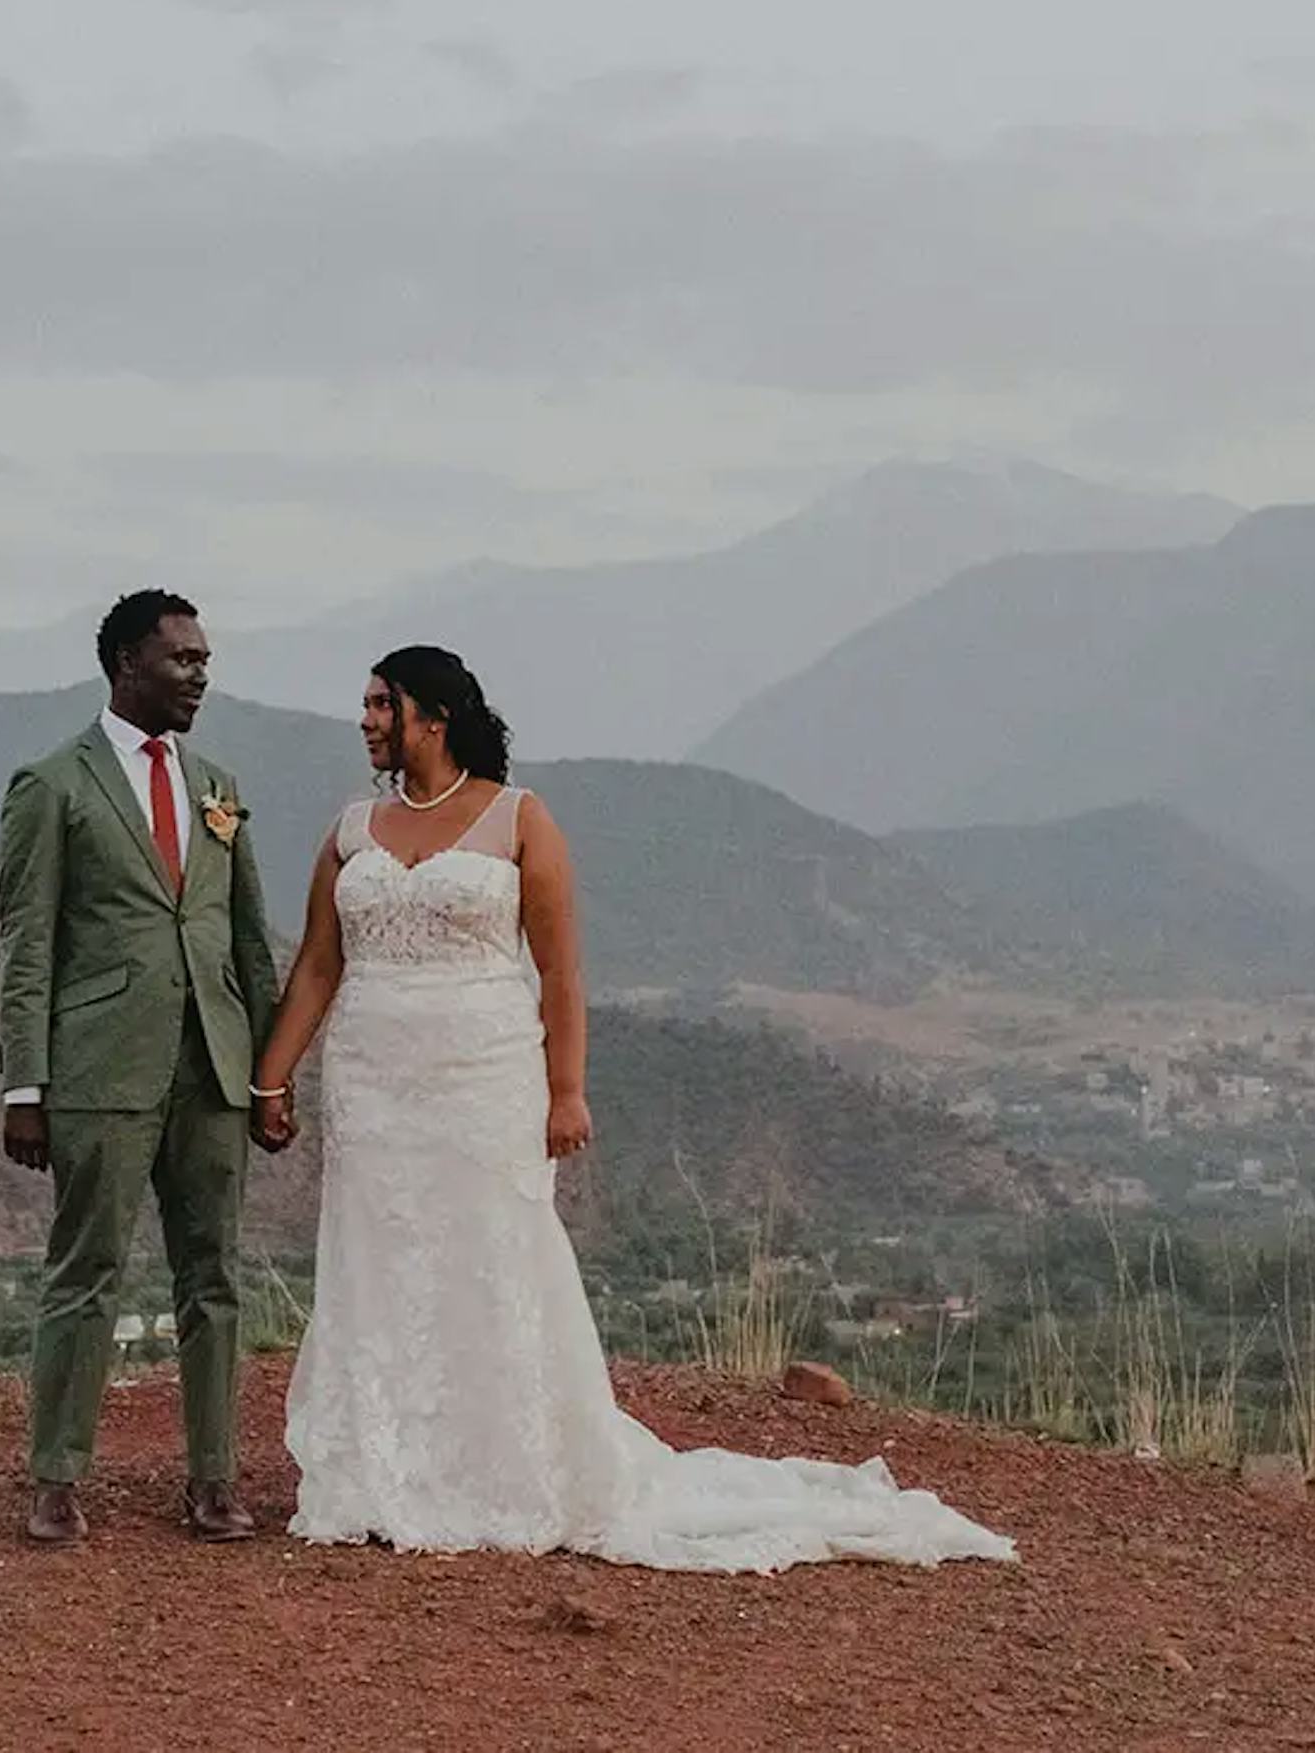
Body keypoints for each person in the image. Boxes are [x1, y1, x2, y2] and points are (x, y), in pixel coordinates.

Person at [250, 645, 1014, 1570]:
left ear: (433, 717)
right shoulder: (350, 830)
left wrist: (567, 1088)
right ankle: (382, 1468)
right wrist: (273, 1076)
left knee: (495, 1253)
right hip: (373, 1080)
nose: (367, 719)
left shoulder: (519, 820)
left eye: (382, 703)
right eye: (366, 703)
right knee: (379, 1258)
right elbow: (319, 964)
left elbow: (562, 970)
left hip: (485, 1078)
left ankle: (509, 1464)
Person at [0, 588, 282, 1547]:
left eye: (204, 659)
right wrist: (24, 1087)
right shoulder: (54, 785)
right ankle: (56, 1480)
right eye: (183, 658)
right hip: (98, 1072)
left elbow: (248, 942)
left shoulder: (220, 785)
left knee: (215, 1276)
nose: (201, 673)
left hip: (214, 1067)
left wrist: (271, 1072)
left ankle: (212, 1481)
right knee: (88, 1270)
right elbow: (27, 944)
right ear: (127, 663)